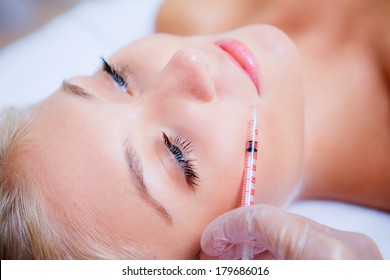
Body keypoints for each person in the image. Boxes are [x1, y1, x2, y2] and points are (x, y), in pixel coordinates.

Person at [0, 0, 388, 260]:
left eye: (115, 79)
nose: (185, 62)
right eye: (176, 154)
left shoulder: (189, 10)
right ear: (235, 250)